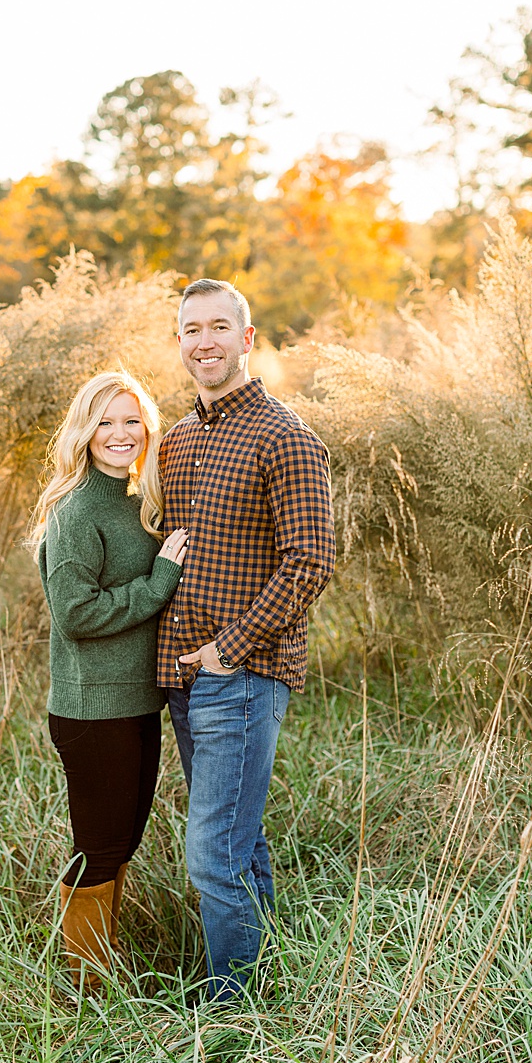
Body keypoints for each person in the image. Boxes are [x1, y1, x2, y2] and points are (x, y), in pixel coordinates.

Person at [157, 277, 334, 1002]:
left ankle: (230, 1014)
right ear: (180, 343)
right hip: (182, 679)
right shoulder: (175, 440)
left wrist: (230, 648)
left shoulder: (286, 438)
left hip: (242, 675)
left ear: (247, 338)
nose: (205, 341)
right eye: (191, 329)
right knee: (239, 837)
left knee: (212, 853)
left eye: (219, 327)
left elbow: (310, 561)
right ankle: (269, 989)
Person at [30, 370, 189, 988]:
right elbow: (75, 612)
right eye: (106, 422)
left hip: (134, 703)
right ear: (84, 431)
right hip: (92, 710)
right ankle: (85, 989)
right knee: (99, 848)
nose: (120, 434)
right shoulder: (78, 510)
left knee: (119, 845)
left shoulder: (137, 500)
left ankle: (100, 967)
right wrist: (160, 581)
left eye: (132, 421)